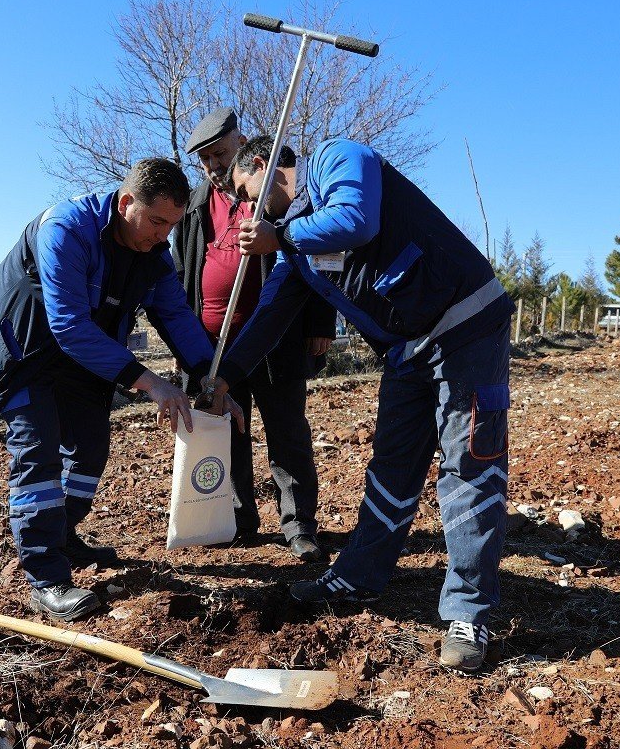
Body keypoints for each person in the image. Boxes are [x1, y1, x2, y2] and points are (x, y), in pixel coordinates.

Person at [206, 136, 514, 672]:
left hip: (465, 325)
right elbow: (272, 314)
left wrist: (280, 235)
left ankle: (468, 613)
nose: (243, 208)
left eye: (244, 193)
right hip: (407, 351)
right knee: (391, 467)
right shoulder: (296, 251)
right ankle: (359, 577)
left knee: (469, 467)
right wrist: (226, 377)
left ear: (264, 164)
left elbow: (356, 220)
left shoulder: (337, 158)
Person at [0, 158, 243, 622]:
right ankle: (47, 578)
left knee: (89, 447)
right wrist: (149, 382)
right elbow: (68, 324)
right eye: (156, 222)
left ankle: (63, 536)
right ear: (127, 203)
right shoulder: (66, 228)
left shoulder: (154, 254)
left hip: (79, 356)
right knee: (39, 452)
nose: (163, 235)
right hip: (17, 351)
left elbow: (173, 316)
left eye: (171, 224)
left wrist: (210, 376)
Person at [172, 108, 336, 561]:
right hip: (209, 345)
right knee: (226, 432)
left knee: (286, 431)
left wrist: (321, 322)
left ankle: (299, 525)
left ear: (242, 143)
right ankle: (239, 521)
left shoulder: (273, 191)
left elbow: (313, 249)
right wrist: (185, 345)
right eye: (205, 160)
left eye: (221, 154)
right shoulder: (194, 203)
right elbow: (183, 271)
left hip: (274, 336)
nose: (214, 166)